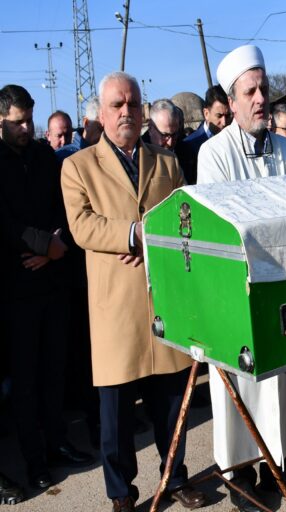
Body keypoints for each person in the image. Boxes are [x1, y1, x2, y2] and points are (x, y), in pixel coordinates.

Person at [61, 72, 205, 512]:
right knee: (117, 410)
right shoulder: (78, 166)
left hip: (163, 298)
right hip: (117, 306)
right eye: (117, 105)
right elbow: (82, 225)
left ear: (143, 111)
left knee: (171, 402)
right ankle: (121, 492)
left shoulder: (166, 161)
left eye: (133, 104)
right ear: (102, 114)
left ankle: (175, 477)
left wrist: (157, 238)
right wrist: (132, 234)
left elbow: (184, 215)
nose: (127, 111)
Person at [196, 45, 286, 511]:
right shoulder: (213, 154)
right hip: (239, 291)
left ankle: (279, 465)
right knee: (241, 388)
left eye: (264, 88)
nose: (262, 98)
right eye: (251, 91)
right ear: (232, 100)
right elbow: (224, 225)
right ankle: (241, 473)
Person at [0, 83, 94, 494]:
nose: (25, 128)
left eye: (28, 120)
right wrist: (43, 246)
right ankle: (34, 459)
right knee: (26, 379)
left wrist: (56, 248)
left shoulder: (42, 156)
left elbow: (64, 206)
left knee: (55, 370)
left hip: (53, 280)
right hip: (17, 287)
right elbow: (5, 223)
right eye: (17, 122)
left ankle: (57, 442)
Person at [176, 84, 232, 184]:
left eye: (228, 116)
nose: (224, 122)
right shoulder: (187, 147)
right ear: (206, 114)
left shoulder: (236, 141)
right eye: (219, 116)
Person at [56, 96, 103, 161]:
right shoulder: (63, 157)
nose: (105, 134)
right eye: (100, 129)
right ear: (86, 123)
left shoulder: (112, 154)